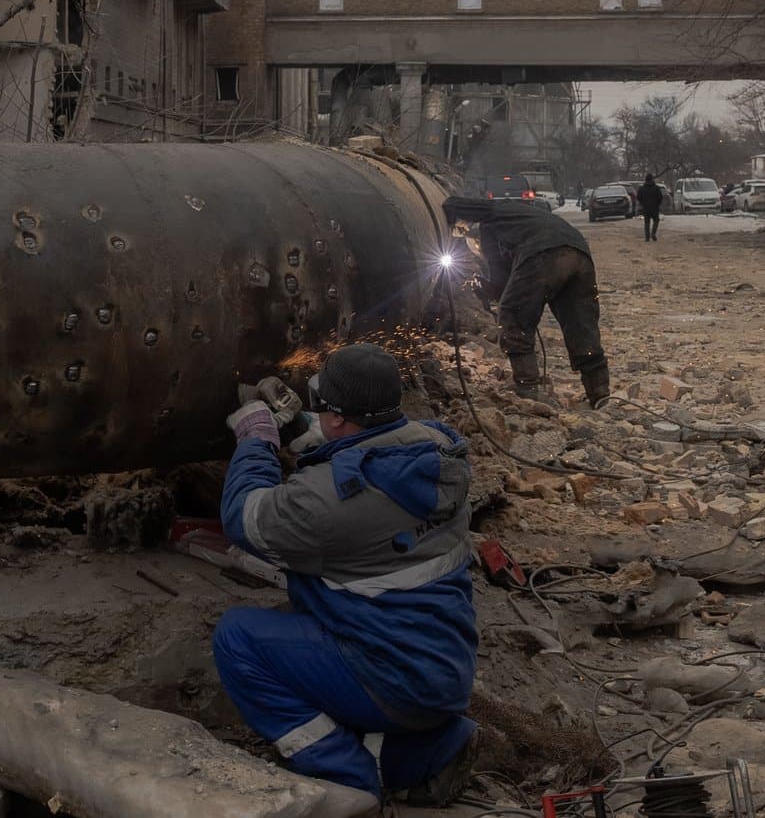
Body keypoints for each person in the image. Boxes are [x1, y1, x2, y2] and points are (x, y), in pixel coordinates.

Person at [213, 344, 478, 806]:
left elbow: (245, 518)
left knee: (238, 638)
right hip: (444, 668)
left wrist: (258, 439)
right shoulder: (440, 450)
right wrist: (308, 431)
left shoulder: (330, 503)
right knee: (316, 611)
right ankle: (429, 750)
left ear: (337, 416)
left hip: (393, 678)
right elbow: (372, 452)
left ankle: (347, 780)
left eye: (320, 406)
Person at [442, 194, 611, 407]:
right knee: (580, 325)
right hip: (579, 253)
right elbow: (513, 285)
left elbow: (504, 288)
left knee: (513, 316)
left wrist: (480, 287)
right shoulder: (515, 213)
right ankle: (599, 392)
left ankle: (526, 387)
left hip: (543, 253)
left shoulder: (489, 225)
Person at [635, 173, 665, 242]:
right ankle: (653, 233)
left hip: (646, 207)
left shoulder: (642, 188)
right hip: (655, 207)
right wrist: (657, 204)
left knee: (647, 222)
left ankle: (647, 237)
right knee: (656, 220)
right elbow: (660, 197)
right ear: (652, 179)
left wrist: (643, 203)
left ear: (645, 179)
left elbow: (638, 197)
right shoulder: (656, 188)